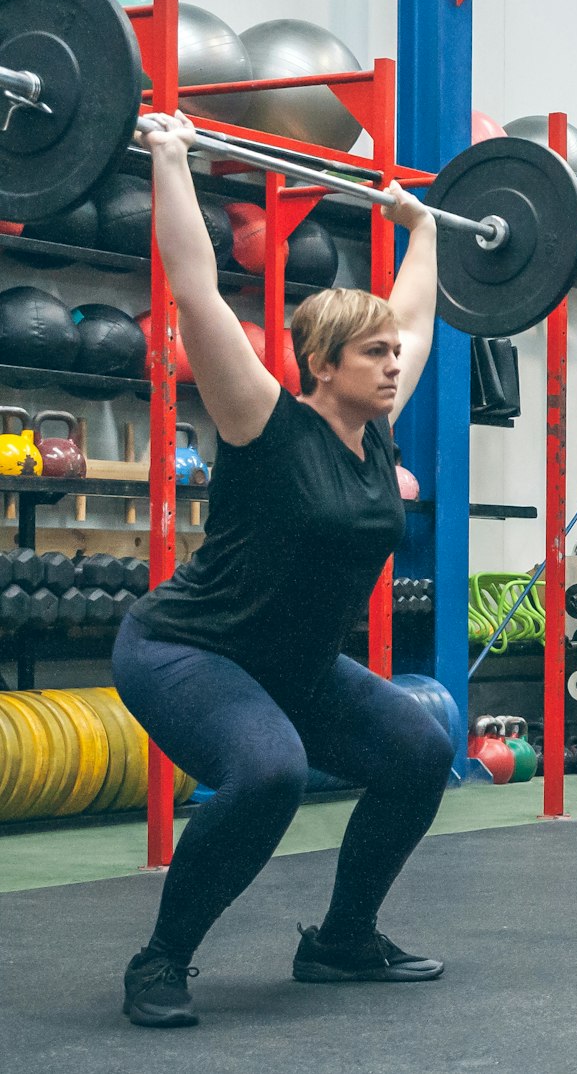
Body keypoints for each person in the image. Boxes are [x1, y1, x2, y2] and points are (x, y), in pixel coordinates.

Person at [115, 113, 454, 1029]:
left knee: (419, 750)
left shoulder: (374, 436)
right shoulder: (261, 421)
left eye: (394, 354)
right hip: (188, 648)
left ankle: (342, 940)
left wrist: (420, 227)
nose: (395, 364)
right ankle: (161, 961)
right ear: (323, 363)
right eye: (375, 354)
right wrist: (175, 159)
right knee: (268, 773)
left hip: (292, 664)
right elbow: (194, 289)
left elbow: (417, 312)